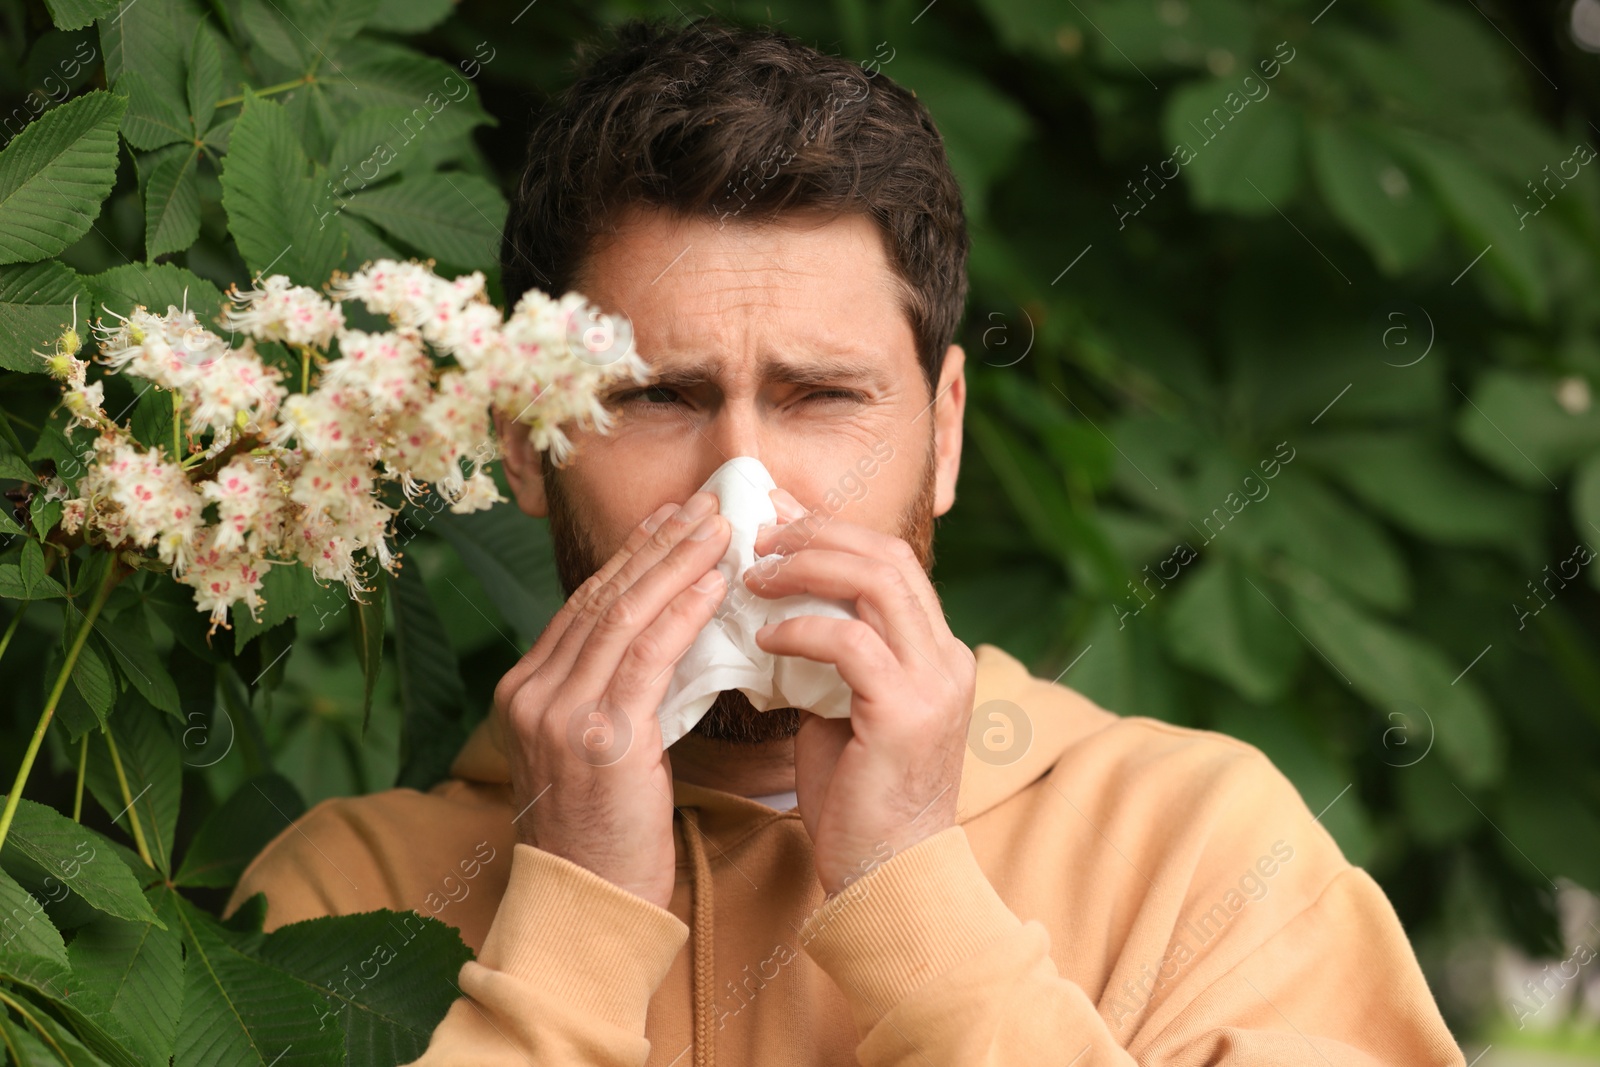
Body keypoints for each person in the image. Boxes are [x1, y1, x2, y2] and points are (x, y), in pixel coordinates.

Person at [226, 15, 1468, 1065]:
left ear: (944, 432)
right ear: (525, 442)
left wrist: (916, 899)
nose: (743, 486)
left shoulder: (1201, 850)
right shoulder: (353, 890)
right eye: (660, 396)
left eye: (823, 396)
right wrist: (571, 925)